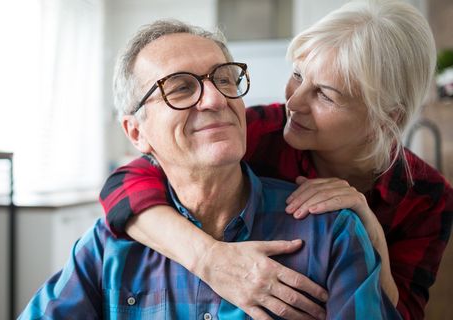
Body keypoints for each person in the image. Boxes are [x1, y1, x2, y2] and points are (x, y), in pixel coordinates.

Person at [20, 20, 400, 319]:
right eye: (181, 88)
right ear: (137, 132)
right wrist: (208, 258)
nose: (216, 99)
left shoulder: (331, 233)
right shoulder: (108, 247)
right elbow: (120, 184)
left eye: (224, 78)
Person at [99, 1, 453, 319]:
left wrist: (372, 237)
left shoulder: (427, 197)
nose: (294, 102)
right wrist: (208, 259)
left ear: (387, 117)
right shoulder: (261, 130)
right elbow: (124, 184)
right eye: (298, 75)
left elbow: (402, 313)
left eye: (324, 95)